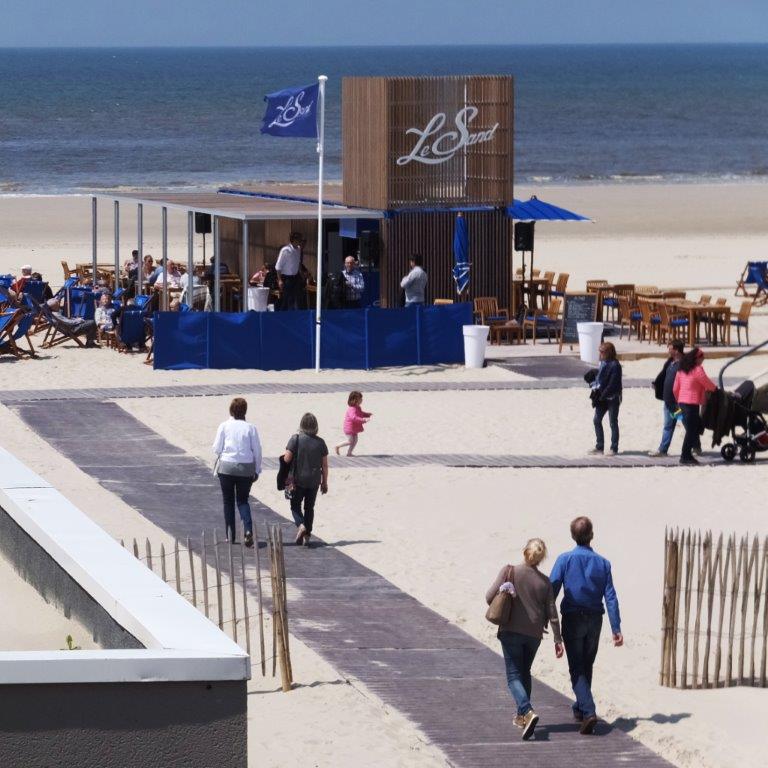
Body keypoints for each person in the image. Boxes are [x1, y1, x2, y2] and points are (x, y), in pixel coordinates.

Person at [550, 517, 623, 735]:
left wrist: (544, 617)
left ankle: (588, 710)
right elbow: (610, 596)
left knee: (576, 667)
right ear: (591, 534)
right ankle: (580, 708)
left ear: (573, 536)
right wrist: (616, 627)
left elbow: (550, 591)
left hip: (573, 618)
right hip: (594, 619)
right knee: (586, 663)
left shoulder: (565, 559)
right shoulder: (603, 563)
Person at [485, 538, 564, 741]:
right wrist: (558, 639)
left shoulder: (509, 571)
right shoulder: (545, 582)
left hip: (511, 630)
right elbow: (552, 612)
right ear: (541, 558)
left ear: (524, 551)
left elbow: (488, 597)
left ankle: (527, 711)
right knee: (524, 671)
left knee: (513, 676)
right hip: (534, 634)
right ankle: (521, 717)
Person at [211, 398, 262, 547]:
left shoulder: (224, 426)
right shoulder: (251, 428)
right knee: (243, 501)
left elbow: (216, 448)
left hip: (226, 467)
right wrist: (257, 470)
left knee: (228, 501)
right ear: (245, 411)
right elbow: (257, 452)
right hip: (245, 469)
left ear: (231, 411)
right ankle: (247, 530)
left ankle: (230, 535)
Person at [283, 413, 329, 547]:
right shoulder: (321, 442)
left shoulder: (295, 439)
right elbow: (325, 465)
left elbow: (286, 459)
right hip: (314, 480)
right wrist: (324, 482)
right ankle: (307, 535)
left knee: (295, 505)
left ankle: (301, 525)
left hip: (297, 480)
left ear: (301, 424)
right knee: (310, 507)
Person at [673, 347, 717, 466]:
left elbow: (675, 388)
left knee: (694, 428)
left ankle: (688, 453)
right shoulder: (698, 370)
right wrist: (716, 390)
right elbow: (706, 382)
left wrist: (679, 400)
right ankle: (685, 455)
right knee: (692, 431)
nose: (703, 361)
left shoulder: (681, 370)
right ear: (697, 359)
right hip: (691, 403)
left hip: (682, 402)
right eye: (702, 358)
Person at [649, 340, 685, 457]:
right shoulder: (671, 362)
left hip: (678, 403)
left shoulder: (684, 364)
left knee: (684, 423)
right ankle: (663, 450)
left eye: (670, 348)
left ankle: (695, 445)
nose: (668, 350)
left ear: (676, 350)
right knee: (669, 425)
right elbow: (663, 374)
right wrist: (657, 383)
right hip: (668, 401)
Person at [588, 342, 622, 456]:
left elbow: (613, 384)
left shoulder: (615, 365)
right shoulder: (602, 362)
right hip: (602, 397)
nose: (600, 353)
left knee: (613, 422)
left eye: (602, 351)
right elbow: (600, 379)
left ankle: (614, 448)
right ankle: (599, 447)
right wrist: (592, 383)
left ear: (609, 352)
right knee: (596, 420)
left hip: (612, 397)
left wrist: (602, 395)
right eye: (600, 351)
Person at [335, 391, 372, 456]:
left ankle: (349, 453)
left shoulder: (358, 407)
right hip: (349, 428)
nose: (362, 400)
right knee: (350, 441)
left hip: (354, 428)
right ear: (355, 400)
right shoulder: (351, 409)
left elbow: (360, 413)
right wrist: (363, 420)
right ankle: (338, 446)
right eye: (360, 399)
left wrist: (366, 414)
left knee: (355, 440)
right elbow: (354, 417)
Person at [275, 232, 303, 311]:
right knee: (286, 300)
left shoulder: (298, 249)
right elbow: (278, 266)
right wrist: (279, 280)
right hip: (286, 278)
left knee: (295, 299)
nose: (300, 241)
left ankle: (292, 316)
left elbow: (297, 262)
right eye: (299, 240)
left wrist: (301, 273)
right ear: (294, 240)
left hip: (295, 277)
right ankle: (282, 316)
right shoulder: (286, 250)